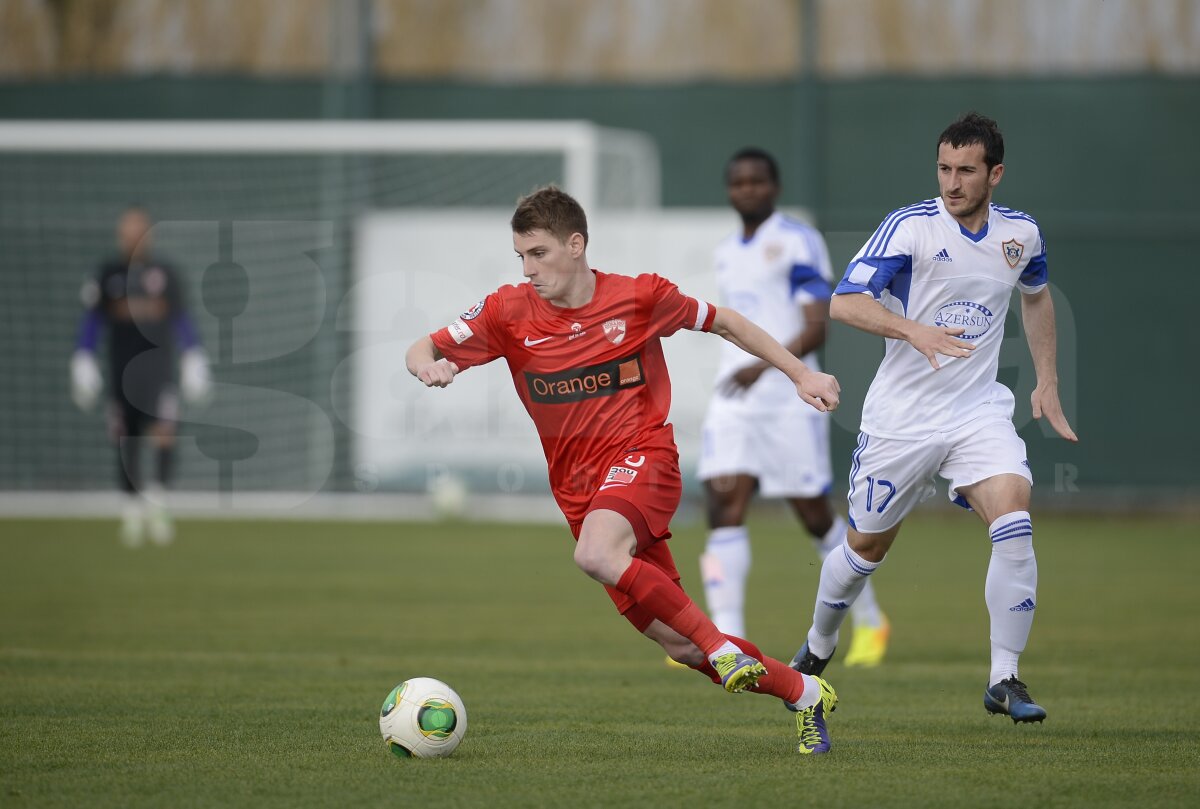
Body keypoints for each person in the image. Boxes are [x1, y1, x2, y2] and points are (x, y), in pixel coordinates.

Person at [407, 186, 843, 754]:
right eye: (521, 256)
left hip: (645, 460)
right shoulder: (506, 311)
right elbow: (422, 348)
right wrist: (430, 368)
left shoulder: (640, 297)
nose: (528, 269)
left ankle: (724, 647)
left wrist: (800, 374)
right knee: (682, 646)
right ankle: (804, 692)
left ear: (576, 244)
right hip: (580, 494)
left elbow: (727, 322)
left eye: (538, 253)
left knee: (596, 555)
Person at [791, 113, 1078, 724]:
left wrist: (1048, 381)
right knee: (864, 548)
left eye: (966, 171)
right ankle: (819, 643)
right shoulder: (911, 227)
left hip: (977, 412)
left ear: (995, 174)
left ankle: (1004, 678)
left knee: (1015, 518)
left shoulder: (1021, 235)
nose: (952, 182)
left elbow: (1036, 297)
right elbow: (844, 303)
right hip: (902, 418)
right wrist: (913, 330)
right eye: (944, 168)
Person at [695, 147, 890, 667]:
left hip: (789, 399)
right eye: (738, 182)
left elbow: (816, 325)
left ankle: (871, 620)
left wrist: (764, 367)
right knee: (722, 508)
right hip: (733, 400)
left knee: (814, 515)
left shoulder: (797, 241)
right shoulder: (725, 251)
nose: (747, 189)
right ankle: (726, 640)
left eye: (757, 181)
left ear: (775, 187)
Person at [71, 207, 211, 546]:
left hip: (159, 371)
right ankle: (132, 510)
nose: (133, 238)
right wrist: (83, 356)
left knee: (164, 433)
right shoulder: (107, 275)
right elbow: (92, 320)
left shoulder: (165, 274)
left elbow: (181, 318)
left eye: (139, 231)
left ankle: (158, 503)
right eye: (128, 231)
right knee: (127, 441)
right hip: (122, 371)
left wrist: (193, 354)